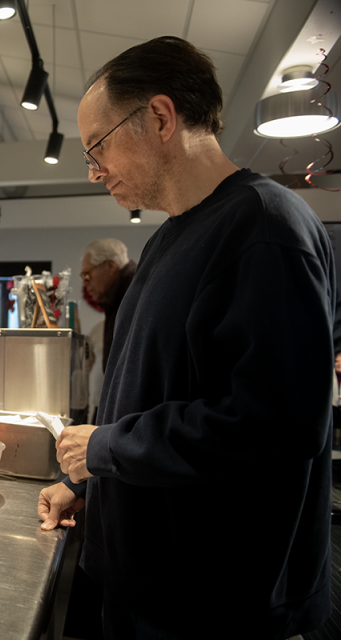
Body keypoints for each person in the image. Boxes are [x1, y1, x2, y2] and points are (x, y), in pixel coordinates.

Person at [37, 36, 334, 639]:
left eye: (98, 146)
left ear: (161, 117)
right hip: (144, 580)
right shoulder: (168, 240)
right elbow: (147, 393)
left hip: (211, 601)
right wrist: (86, 481)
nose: (95, 171)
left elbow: (275, 425)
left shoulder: (264, 227)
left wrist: (108, 450)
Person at [80, 238, 136, 373]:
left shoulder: (134, 294)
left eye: (87, 274)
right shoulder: (119, 296)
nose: (85, 282)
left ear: (110, 266)